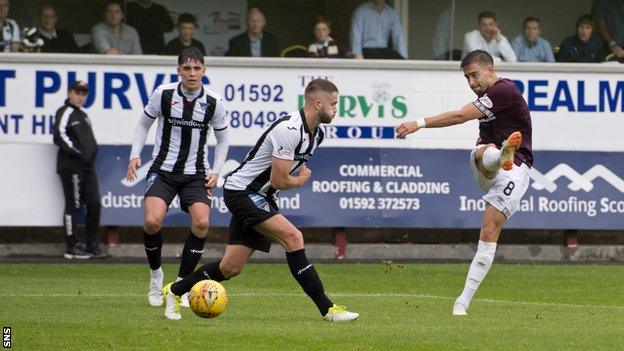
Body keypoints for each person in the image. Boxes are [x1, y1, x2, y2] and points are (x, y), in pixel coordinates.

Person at [162, 79, 359, 322]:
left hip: (261, 196)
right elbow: (279, 180)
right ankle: (328, 309)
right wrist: (300, 180)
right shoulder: (289, 129)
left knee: (229, 268)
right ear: (318, 103)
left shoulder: (317, 134)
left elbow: (278, 180)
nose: (336, 109)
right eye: (334, 103)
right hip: (241, 192)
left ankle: (174, 291)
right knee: (293, 237)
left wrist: (292, 179)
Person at [396, 50, 533, 316]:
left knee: (489, 231)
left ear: (491, 71)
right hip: (486, 166)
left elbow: (460, 116)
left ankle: (462, 301)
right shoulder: (486, 100)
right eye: (467, 77)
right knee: (484, 150)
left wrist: (418, 123)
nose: (471, 82)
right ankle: (499, 154)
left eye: (474, 75)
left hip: (517, 170)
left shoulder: (504, 90)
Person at [126, 47, 230, 308]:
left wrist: (216, 171)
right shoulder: (163, 94)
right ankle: (155, 275)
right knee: (151, 221)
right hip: (163, 170)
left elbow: (223, 139)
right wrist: (134, 155)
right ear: (179, 71)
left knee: (202, 223)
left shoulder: (214, 102)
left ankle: (182, 285)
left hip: (196, 173)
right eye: (187, 68)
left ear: (204, 71)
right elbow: (143, 124)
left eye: (197, 68)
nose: (192, 73)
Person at [53, 81, 105, 259]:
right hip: (72, 166)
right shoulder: (64, 111)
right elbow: (59, 135)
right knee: (73, 205)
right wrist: (78, 153)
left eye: (84, 94)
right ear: (70, 93)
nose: (81, 97)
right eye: (77, 93)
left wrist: (88, 156)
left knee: (94, 204)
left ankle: (93, 247)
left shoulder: (83, 115)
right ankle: (71, 247)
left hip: (88, 168)